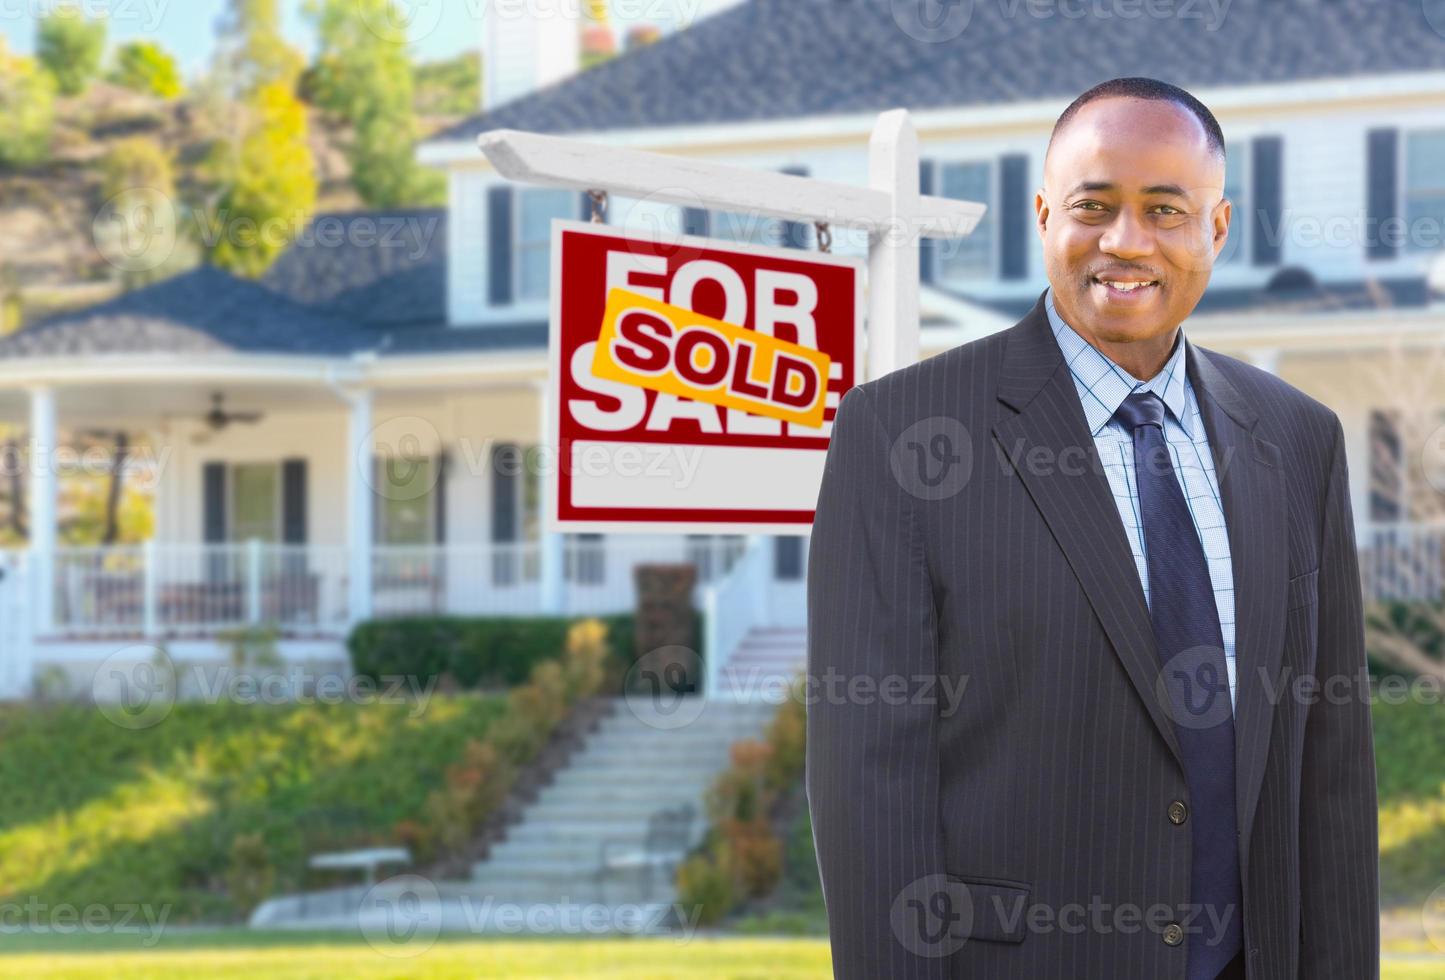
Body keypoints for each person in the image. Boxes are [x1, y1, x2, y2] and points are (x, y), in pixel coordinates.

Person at [806, 76, 1379, 980]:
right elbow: (868, 777)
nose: (1125, 242)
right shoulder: (902, 431)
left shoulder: (1299, 438)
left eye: (1164, 209)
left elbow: (1331, 763)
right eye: (1093, 206)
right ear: (1043, 214)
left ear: (1215, 230)